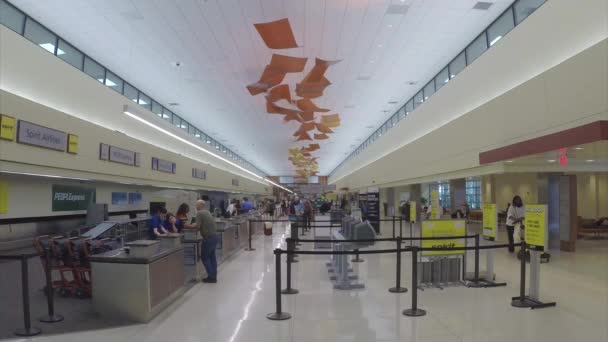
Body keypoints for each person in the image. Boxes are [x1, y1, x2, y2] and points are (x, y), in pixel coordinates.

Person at [185, 200, 218, 283]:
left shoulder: (199, 213)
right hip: (214, 237)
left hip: (208, 238)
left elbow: (197, 226)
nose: (195, 207)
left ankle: (211, 277)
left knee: (204, 257)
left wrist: (186, 225)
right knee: (212, 257)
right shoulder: (207, 212)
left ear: (200, 205)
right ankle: (213, 275)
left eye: (196, 205)